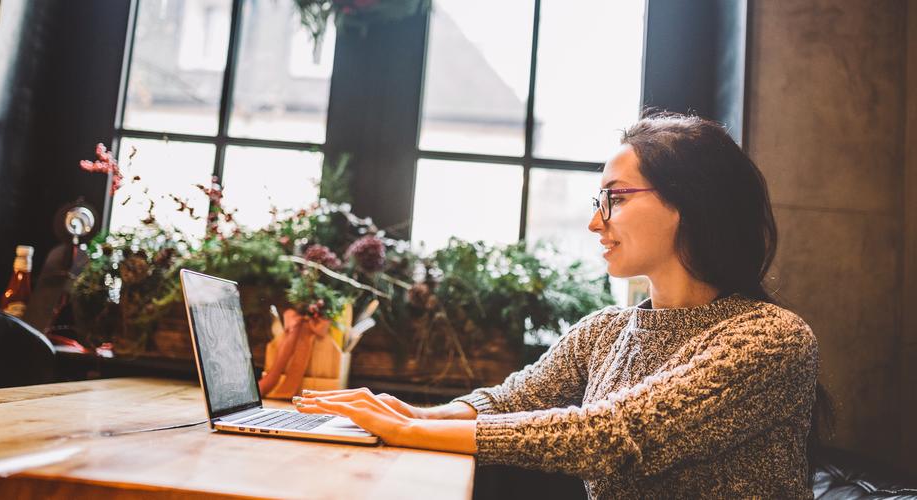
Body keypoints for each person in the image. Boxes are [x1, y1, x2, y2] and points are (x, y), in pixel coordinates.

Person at [293, 113, 820, 498]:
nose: (597, 222)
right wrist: (415, 413)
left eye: (615, 198)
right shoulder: (606, 332)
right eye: (599, 203)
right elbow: (506, 401)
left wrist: (411, 430)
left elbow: (611, 435)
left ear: (693, 202)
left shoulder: (771, 338)